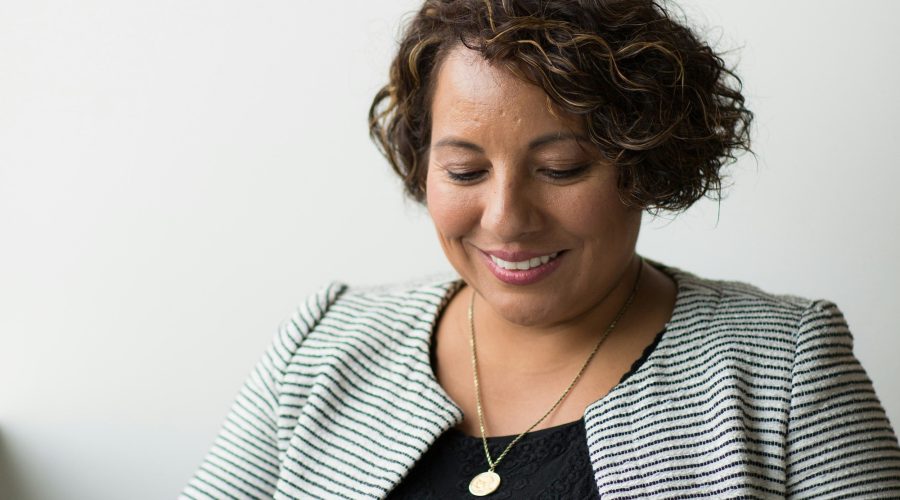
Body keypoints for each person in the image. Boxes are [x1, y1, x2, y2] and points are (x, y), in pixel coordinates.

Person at [181, 0, 900, 498]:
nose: (506, 217)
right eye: (464, 171)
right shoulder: (324, 341)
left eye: (560, 169)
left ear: (644, 162)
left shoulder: (784, 367)